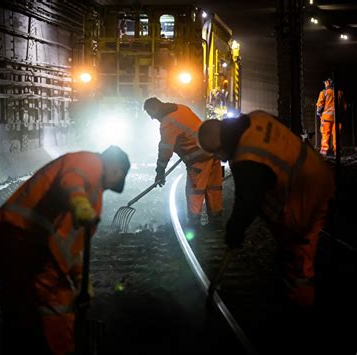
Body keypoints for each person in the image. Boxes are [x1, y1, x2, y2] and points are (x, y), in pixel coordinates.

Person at [0, 145, 130, 354]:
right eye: (113, 183)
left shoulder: (93, 189)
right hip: (25, 236)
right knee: (57, 300)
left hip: (17, 234)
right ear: (116, 170)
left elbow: (69, 246)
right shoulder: (90, 162)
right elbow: (71, 180)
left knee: (20, 307)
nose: (107, 189)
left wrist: (81, 279)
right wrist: (80, 203)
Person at [197, 110, 335, 308]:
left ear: (219, 147)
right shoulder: (256, 117)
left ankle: (300, 314)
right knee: (288, 252)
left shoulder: (245, 157)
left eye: (217, 153)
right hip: (315, 171)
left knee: (297, 262)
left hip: (304, 194)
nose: (221, 158)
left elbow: (247, 202)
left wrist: (234, 231)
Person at [143, 97, 223, 231]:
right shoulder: (181, 108)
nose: (152, 118)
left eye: (150, 114)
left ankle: (194, 224)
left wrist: (160, 171)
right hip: (212, 150)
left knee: (195, 190)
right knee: (213, 188)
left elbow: (165, 150)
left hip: (199, 158)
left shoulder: (167, 123)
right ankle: (216, 222)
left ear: (154, 109)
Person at [316, 78, 347, 155]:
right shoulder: (340, 93)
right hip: (337, 118)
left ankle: (324, 151)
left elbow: (319, 106)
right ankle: (337, 151)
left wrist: (319, 114)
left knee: (325, 134)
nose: (325, 84)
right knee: (336, 135)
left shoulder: (323, 93)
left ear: (328, 83)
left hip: (326, 118)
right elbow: (344, 107)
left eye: (325, 83)